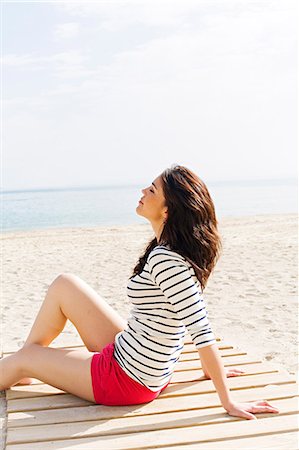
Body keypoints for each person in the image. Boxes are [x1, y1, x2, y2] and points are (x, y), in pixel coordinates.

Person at [0, 164, 279, 419]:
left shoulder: (165, 260)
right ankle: (26, 364)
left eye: (152, 189)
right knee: (65, 284)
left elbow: (200, 328)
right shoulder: (170, 250)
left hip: (127, 380)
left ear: (167, 210)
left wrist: (228, 402)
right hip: (134, 357)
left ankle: (24, 364)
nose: (143, 191)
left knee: (25, 357)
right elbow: (179, 314)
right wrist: (207, 371)